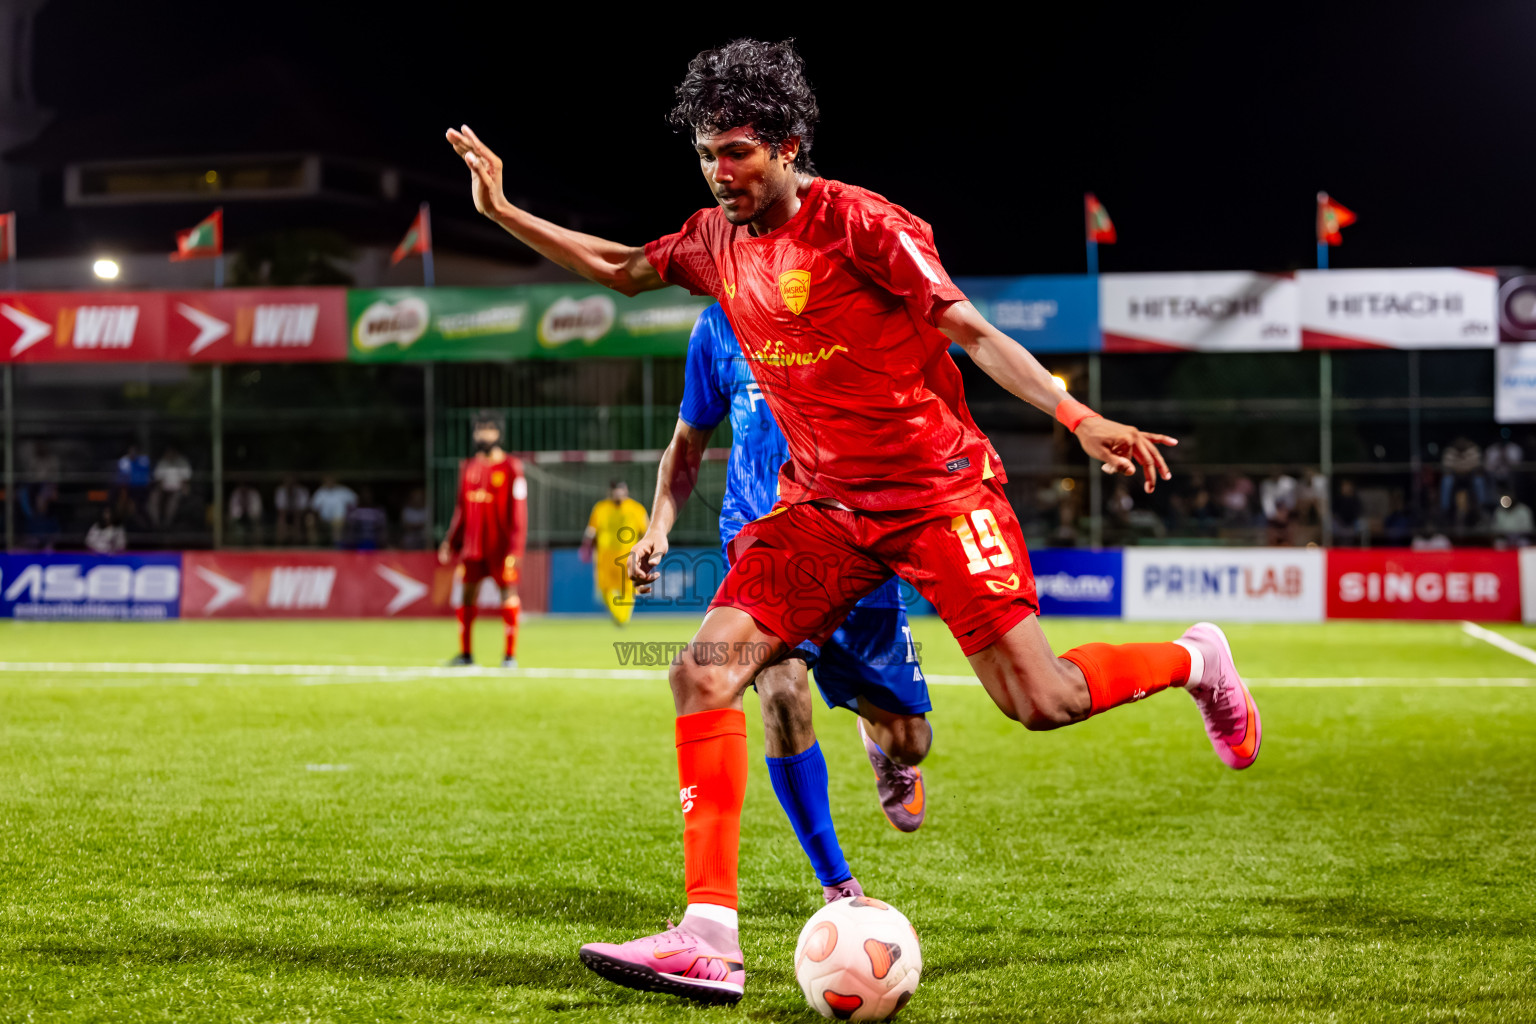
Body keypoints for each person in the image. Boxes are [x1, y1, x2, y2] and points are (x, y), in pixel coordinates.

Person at [448, 39, 1260, 1005]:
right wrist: (503, 213)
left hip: (936, 493)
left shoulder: (863, 223)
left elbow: (971, 329)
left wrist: (1076, 417)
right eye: (708, 153)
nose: (720, 172)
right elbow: (623, 266)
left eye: (738, 151)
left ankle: (1197, 659)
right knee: (702, 671)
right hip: (823, 510)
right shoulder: (714, 241)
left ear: (789, 145)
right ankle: (709, 932)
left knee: (1041, 702)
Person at [640, 303, 933, 906]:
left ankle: (885, 750)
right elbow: (686, 446)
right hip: (762, 538)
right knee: (780, 693)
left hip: (852, 533)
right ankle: (837, 884)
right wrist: (657, 527)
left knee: (911, 738)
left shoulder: (844, 299)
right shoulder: (717, 325)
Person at [439, 412, 527, 668]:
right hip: (473, 548)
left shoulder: (512, 467)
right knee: (466, 596)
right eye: (479, 429)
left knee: (507, 594)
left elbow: (519, 513)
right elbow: (460, 510)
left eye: (488, 429)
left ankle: (509, 656)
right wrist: (451, 541)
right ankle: (466, 654)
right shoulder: (468, 467)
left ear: (498, 434)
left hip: (501, 549)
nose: (482, 434)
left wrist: (516, 549)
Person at [579, 481, 649, 626]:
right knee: (606, 587)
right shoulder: (601, 508)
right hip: (605, 556)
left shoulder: (636, 509)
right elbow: (592, 530)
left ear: (626, 491)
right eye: (615, 491)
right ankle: (617, 614)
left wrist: (647, 551)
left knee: (628, 587)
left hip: (628, 554)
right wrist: (586, 545)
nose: (618, 494)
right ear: (609, 493)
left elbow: (645, 531)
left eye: (620, 491)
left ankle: (623, 617)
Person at [148, 446, 192, 529]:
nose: (169, 454)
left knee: (173, 502)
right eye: (168, 452)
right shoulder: (163, 462)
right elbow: (158, 479)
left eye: (172, 452)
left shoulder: (182, 462)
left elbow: (186, 480)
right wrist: (161, 490)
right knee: (153, 498)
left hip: (178, 489)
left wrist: (183, 488)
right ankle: (155, 524)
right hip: (164, 489)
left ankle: (167, 524)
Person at [310, 475, 358, 547]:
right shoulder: (320, 492)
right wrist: (318, 518)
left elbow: (354, 502)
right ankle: (313, 545)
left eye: (331, 480)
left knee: (337, 522)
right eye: (327, 480)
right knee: (310, 520)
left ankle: (336, 546)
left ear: (335, 481)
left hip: (339, 518)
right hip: (323, 519)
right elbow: (314, 508)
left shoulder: (343, 491)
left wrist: (349, 515)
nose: (329, 482)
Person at [273, 476, 312, 545]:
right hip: (285, 514)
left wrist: (297, 513)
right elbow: (280, 507)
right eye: (288, 482)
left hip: (299, 514)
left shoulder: (302, 491)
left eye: (292, 482)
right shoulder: (281, 491)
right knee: (282, 517)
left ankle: (298, 541)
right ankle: (281, 541)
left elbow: (305, 506)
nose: (290, 484)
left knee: (298, 517)